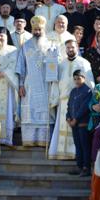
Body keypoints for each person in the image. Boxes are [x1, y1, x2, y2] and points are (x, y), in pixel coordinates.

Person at [48, 38, 94, 160]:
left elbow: (90, 84)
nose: (70, 49)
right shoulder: (61, 64)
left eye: (72, 47)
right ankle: (62, 153)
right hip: (64, 102)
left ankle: (76, 156)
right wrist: (53, 97)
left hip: (79, 102)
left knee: (77, 130)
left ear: (77, 48)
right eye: (68, 48)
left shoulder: (84, 63)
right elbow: (56, 82)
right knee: (63, 127)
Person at [16, 15, 57, 146]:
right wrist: (21, 84)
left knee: (45, 113)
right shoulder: (26, 46)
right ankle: (30, 141)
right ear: (32, 30)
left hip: (46, 84)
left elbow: (56, 65)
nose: (37, 32)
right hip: (30, 85)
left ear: (43, 29)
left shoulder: (51, 45)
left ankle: (44, 141)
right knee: (30, 113)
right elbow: (21, 66)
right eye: (35, 29)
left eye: (39, 29)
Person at [66, 70, 94, 176]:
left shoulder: (87, 91)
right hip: (74, 124)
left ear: (84, 78)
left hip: (82, 123)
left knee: (85, 146)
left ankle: (86, 168)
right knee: (78, 146)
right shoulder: (73, 91)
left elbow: (84, 108)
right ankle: (79, 166)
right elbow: (69, 105)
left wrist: (76, 119)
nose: (77, 81)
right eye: (75, 79)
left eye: (79, 78)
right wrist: (68, 117)